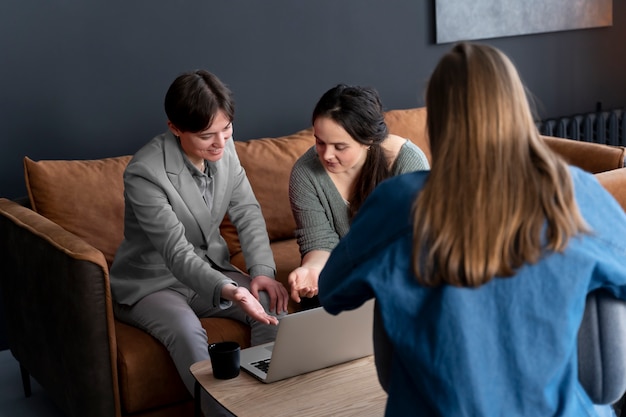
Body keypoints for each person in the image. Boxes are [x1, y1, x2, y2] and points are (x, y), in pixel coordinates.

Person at [318, 42, 626, 416]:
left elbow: (332, 291)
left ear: (440, 119)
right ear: (516, 107)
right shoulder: (578, 194)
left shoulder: (398, 204)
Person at [109, 70, 289, 404]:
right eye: (208, 135)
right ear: (175, 128)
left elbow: (247, 211)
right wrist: (232, 289)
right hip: (154, 282)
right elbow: (175, 252)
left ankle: (270, 404)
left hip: (209, 269)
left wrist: (262, 273)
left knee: (270, 304)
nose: (221, 142)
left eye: (227, 128)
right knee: (186, 331)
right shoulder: (144, 173)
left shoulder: (224, 146)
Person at [288, 84, 430, 307]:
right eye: (320, 142)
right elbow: (320, 243)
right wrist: (311, 269)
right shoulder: (305, 173)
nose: (327, 155)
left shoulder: (407, 161)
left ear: (368, 141)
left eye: (340, 146)